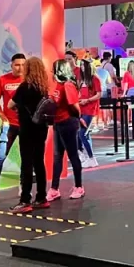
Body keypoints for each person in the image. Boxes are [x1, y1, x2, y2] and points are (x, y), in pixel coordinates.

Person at [8, 57, 52, 213]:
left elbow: (10, 104)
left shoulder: (24, 87)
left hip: (27, 129)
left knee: (26, 163)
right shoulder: (43, 88)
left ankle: (25, 200)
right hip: (41, 129)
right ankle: (41, 197)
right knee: (39, 162)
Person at [0, 53, 26, 202]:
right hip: (8, 125)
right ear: (11, 65)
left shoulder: (28, 80)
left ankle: (23, 185)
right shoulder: (3, 79)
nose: (20, 68)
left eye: (23, 65)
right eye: (17, 65)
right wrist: (2, 116)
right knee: (0, 156)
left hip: (25, 125)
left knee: (25, 156)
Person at [48, 59, 86, 201]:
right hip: (58, 123)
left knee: (73, 155)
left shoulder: (68, 85)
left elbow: (74, 106)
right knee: (57, 157)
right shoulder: (59, 85)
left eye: (54, 69)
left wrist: (78, 118)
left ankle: (79, 187)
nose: (52, 71)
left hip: (68, 123)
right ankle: (54, 189)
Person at [77, 61, 102, 168]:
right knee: (84, 134)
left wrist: (87, 100)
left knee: (82, 133)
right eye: (81, 65)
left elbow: (99, 94)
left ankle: (91, 158)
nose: (81, 67)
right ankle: (88, 157)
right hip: (81, 109)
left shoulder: (95, 79)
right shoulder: (82, 79)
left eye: (83, 65)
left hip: (90, 109)